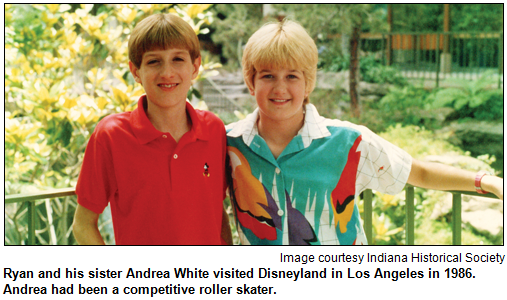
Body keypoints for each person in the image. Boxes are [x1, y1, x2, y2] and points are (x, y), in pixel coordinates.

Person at [225, 19, 503, 245]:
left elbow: (419, 172)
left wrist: (488, 182)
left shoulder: (349, 141)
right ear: (251, 82)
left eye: (292, 76)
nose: (280, 88)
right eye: (268, 75)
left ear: (308, 83)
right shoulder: (228, 143)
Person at [73, 13, 232, 245]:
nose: (167, 72)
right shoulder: (111, 135)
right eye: (154, 61)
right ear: (136, 71)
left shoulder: (214, 129)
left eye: (178, 59)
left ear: (195, 67)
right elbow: (83, 225)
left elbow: (217, 214)